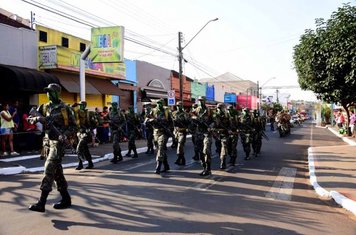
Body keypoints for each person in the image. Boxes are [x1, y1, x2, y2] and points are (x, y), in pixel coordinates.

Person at [28, 83, 77, 213]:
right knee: (57, 172)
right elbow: (30, 118)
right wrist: (37, 119)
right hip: (48, 143)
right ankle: (66, 198)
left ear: (57, 93)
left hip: (58, 144)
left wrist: (65, 135)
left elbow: (74, 127)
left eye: (51, 91)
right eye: (47, 91)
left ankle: (41, 203)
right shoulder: (44, 107)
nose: (48, 94)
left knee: (49, 168)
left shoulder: (65, 109)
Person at [145, 98, 173, 174]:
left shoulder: (167, 111)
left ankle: (158, 167)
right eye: (158, 103)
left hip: (164, 133)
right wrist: (151, 121)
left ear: (163, 103)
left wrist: (170, 130)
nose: (159, 104)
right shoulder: (153, 111)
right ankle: (166, 165)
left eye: (161, 103)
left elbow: (171, 122)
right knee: (160, 149)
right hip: (156, 133)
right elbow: (146, 121)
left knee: (160, 148)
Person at [191, 96, 213, 176]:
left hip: (207, 133)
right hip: (199, 133)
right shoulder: (196, 110)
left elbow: (214, 121)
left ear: (205, 101)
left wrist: (211, 126)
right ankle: (204, 168)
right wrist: (195, 119)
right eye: (199, 100)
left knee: (206, 151)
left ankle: (208, 168)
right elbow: (192, 120)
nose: (200, 102)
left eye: (202, 100)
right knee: (201, 152)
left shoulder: (209, 110)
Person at [73, 101, 95, 170]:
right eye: (79, 105)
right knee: (85, 149)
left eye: (82, 105)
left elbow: (95, 123)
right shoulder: (77, 113)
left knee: (79, 148)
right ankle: (90, 163)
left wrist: (89, 128)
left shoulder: (89, 114)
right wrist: (73, 105)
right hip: (78, 133)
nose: (80, 106)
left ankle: (80, 163)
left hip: (85, 134)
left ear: (85, 106)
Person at [212, 103, 230, 169]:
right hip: (217, 135)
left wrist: (229, 130)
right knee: (219, 149)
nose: (219, 109)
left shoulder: (227, 115)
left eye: (221, 108)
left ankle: (223, 162)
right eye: (218, 108)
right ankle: (222, 158)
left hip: (224, 134)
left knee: (224, 148)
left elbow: (230, 124)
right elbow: (212, 124)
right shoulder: (214, 115)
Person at [172, 101, 190, 166]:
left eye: (179, 105)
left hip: (183, 131)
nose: (178, 107)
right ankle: (182, 160)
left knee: (180, 146)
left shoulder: (185, 114)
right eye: (177, 105)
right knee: (179, 147)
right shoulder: (174, 113)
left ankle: (179, 158)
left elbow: (188, 122)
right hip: (176, 132)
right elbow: (172, 123)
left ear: (182, 106)